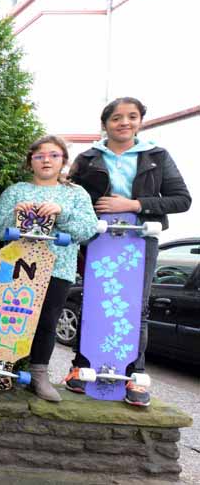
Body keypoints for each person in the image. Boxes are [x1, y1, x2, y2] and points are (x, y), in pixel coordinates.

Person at [64, 97, 191, 407]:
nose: (124, 123)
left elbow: (181, 199)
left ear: (140, 121)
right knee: (93, 300)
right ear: (105, 123)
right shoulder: (89, 157)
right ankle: (81, 368)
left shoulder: (156, 156)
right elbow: (71, 194)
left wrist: (135, 205)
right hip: (100, 238)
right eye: (117, 118)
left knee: (137, 307)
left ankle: (135, 375)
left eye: (131, 117)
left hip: (140, 238)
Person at [0, 135, 97, 401]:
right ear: (30, 162)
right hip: (16, 265)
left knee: (47, 323)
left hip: (57, 268)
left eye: (53, 155)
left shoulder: (76, 194)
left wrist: (61, 213)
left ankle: (39, 374)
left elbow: (87, 231)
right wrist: (14, 214)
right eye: (39, 156)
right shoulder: (16, 191)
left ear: (63, 160)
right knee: (0, 314)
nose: (46, 160)